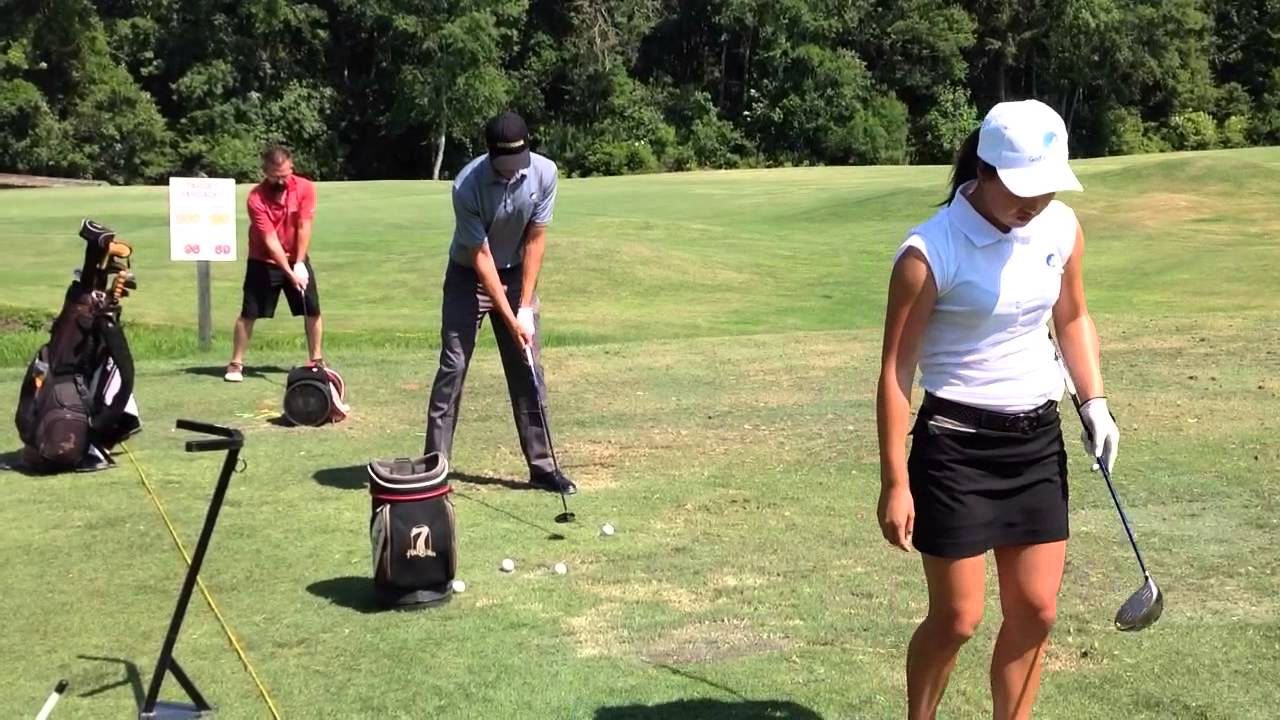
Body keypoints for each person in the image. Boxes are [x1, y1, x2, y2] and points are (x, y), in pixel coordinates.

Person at [875, 99, 1120, 720]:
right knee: (958, 618)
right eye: (1020, 188)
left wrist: (1094, 401)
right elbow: (896, 372)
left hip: (1035, 440)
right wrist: (895, 481)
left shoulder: (1061, 226)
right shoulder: (928, 253)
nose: (1033, 203)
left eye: (1045, 188)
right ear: (983, 172)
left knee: (1036, 610)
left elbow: (1072, 316)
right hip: (955, 447)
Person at [423, 111, 575, 495]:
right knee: (453, 367)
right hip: (468, 276)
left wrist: (524, 306)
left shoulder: (545, 173)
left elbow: (535, 240)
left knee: (527, 367)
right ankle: (434, 470)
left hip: (517, 274)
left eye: (517, 161)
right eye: (504, 164)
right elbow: (481, 258)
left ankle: (543, 468)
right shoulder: (466, 186)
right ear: (490, 155)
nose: (512, 171)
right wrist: (510, 319)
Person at [224, 146, 323, 382]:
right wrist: (289, 272)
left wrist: (299, 263)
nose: (280, 180)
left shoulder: (305, 188)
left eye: (285, 174)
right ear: (265, 171)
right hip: (263, 260)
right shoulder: (255, 197)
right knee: (249, 313)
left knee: (312, 309)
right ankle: (236, 364)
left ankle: (316, 360)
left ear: (292, 167)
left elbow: (304, 226)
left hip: (297, 257)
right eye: (275, 176)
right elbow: (270, 240)